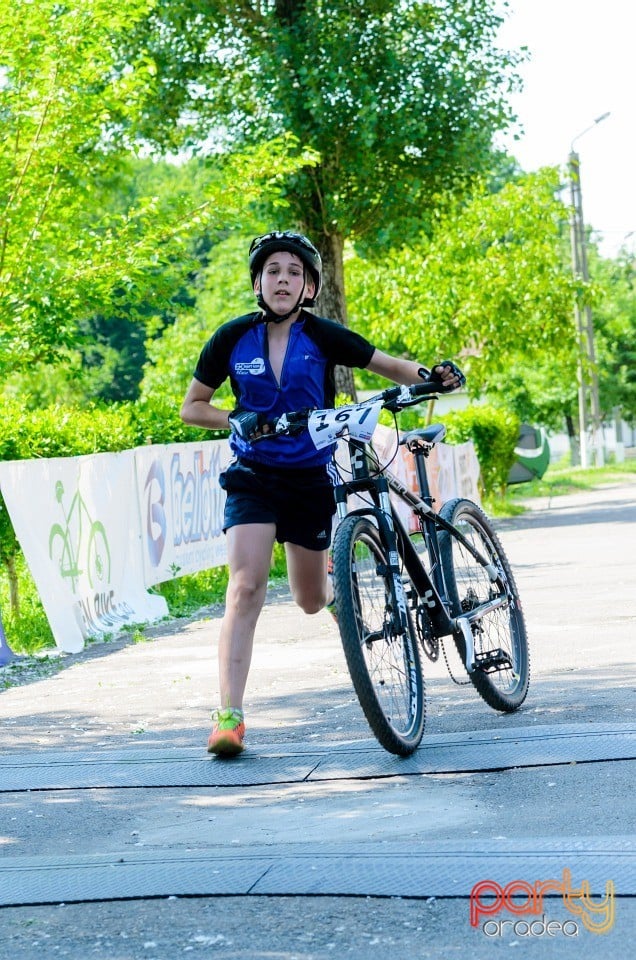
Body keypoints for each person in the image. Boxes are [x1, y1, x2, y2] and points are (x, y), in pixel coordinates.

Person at [180, 230, 463, 757]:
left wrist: (434, 376)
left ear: (308, 286)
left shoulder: (322, 334)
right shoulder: (231, 338)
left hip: (309, 479)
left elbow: (387, 365)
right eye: (272, 272)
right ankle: (228, 717)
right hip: (253, 478)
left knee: (310, 599)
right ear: (258, 283)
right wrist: (235, 418)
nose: (282, 280)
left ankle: (337, 601)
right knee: (245, 588)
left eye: (293, 272)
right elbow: (192, 406)